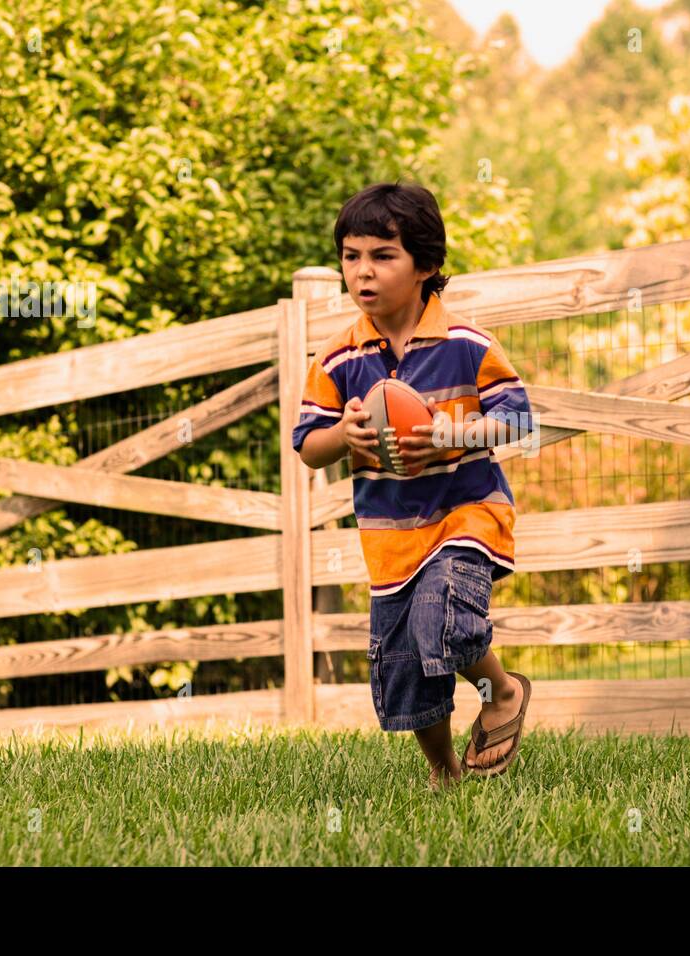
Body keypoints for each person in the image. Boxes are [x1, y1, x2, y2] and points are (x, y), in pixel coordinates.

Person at [292, 181, 535, 790]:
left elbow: (519, 421)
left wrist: (453, 435)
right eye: (351, 256)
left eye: (382, 255)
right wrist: (344, 438)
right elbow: (306, 444)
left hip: (466, 515)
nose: (362, 272)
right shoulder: (338, 357)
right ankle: (444, 773)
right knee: (406, 667)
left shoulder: (467, 347)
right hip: (390, 537)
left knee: (443, 622)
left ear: (426, 265)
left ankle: (501, 692)